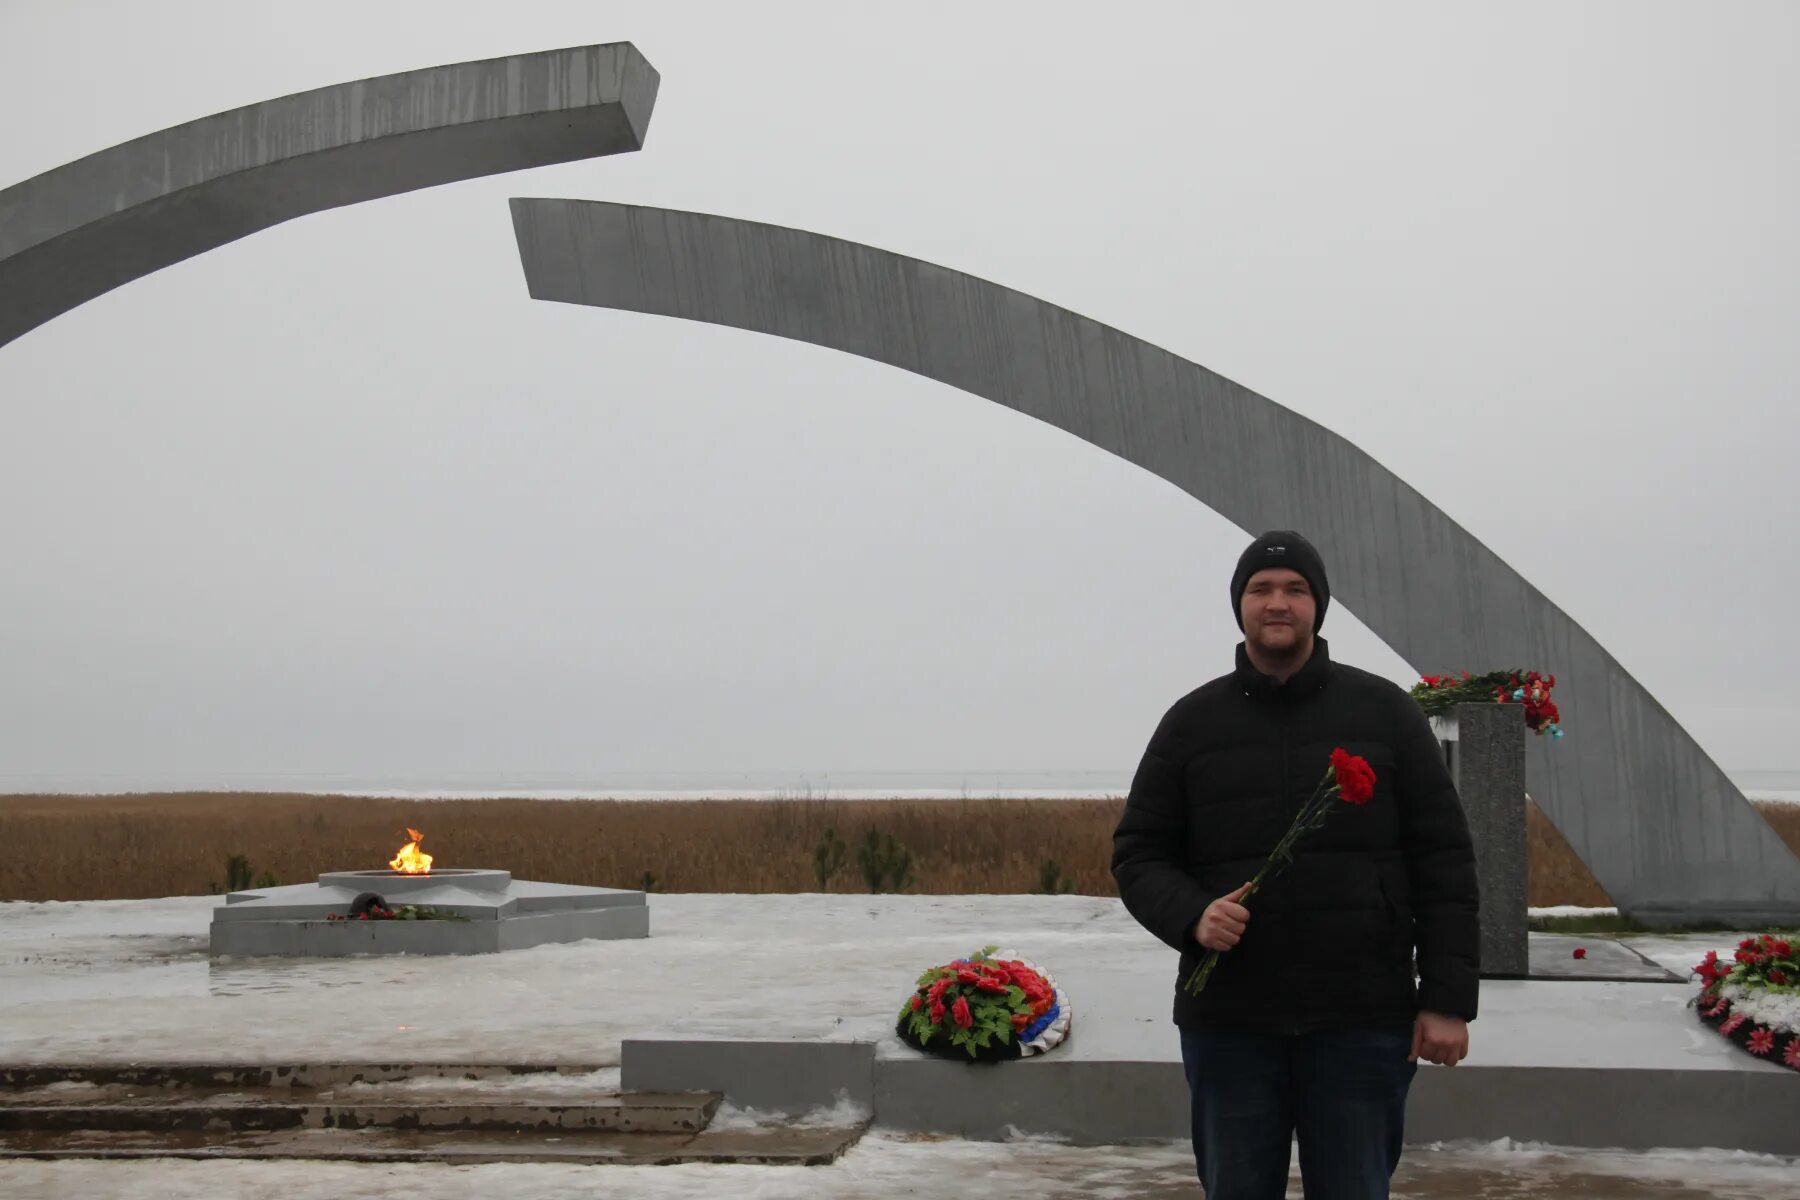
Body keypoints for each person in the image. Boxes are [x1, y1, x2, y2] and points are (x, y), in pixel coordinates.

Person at [1111, 530, 1479, 1200]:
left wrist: (1448, 1000)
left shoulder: (1385, 712)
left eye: (1294, 589)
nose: (1277, 603)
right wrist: (1192, 915)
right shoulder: (1191, 723)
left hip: (1362, 1020)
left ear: (1318, 605)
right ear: (1240, 605)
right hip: (1231, 1022)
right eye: (1261, 589)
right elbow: (1138, 854)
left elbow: (1444, 862)